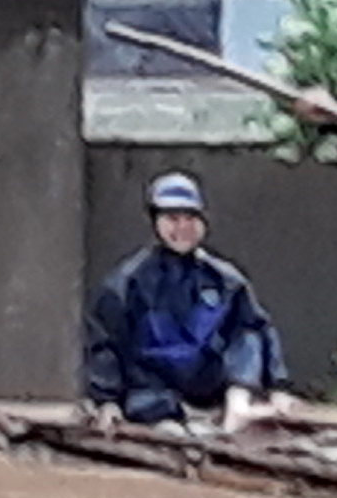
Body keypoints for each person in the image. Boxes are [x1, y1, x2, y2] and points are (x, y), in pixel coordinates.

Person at [84, 175, 287, 426]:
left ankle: (237, 408)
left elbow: (256, 328)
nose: (182, 227)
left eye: (190, 218)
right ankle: (193, 420)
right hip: (153, 391)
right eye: (172, 218)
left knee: (246, 332)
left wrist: (277, 386)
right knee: (149, 406)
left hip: (211, 385)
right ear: (155, 222)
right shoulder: (126, 283)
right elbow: (105, 344)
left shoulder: (225, 279)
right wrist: (107, 400)